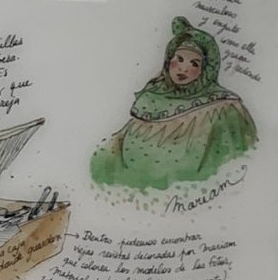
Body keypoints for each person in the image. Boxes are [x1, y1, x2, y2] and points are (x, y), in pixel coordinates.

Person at [91, 17, 258, 193]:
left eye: (194, 63)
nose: (183, 69)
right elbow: (115, 148)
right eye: (179, 58)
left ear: (206, 70)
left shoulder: (223, 107)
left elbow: (237, 164)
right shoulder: (150, 99)